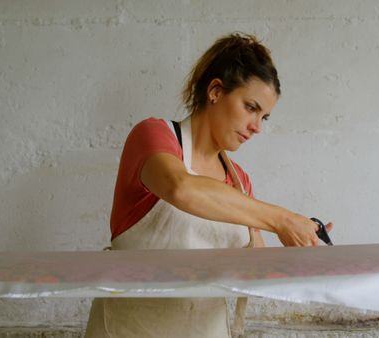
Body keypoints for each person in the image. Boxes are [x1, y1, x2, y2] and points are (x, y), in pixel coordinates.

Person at [85, 32, 333, 338]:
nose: (257, 127)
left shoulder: (240, 182)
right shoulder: (154, 136)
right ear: (215, 91)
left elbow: (254, 270)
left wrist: (300, 253)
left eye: (264, 117)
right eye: (251, 107)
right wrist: (283, 219)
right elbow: (181, 188)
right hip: (130, 330)